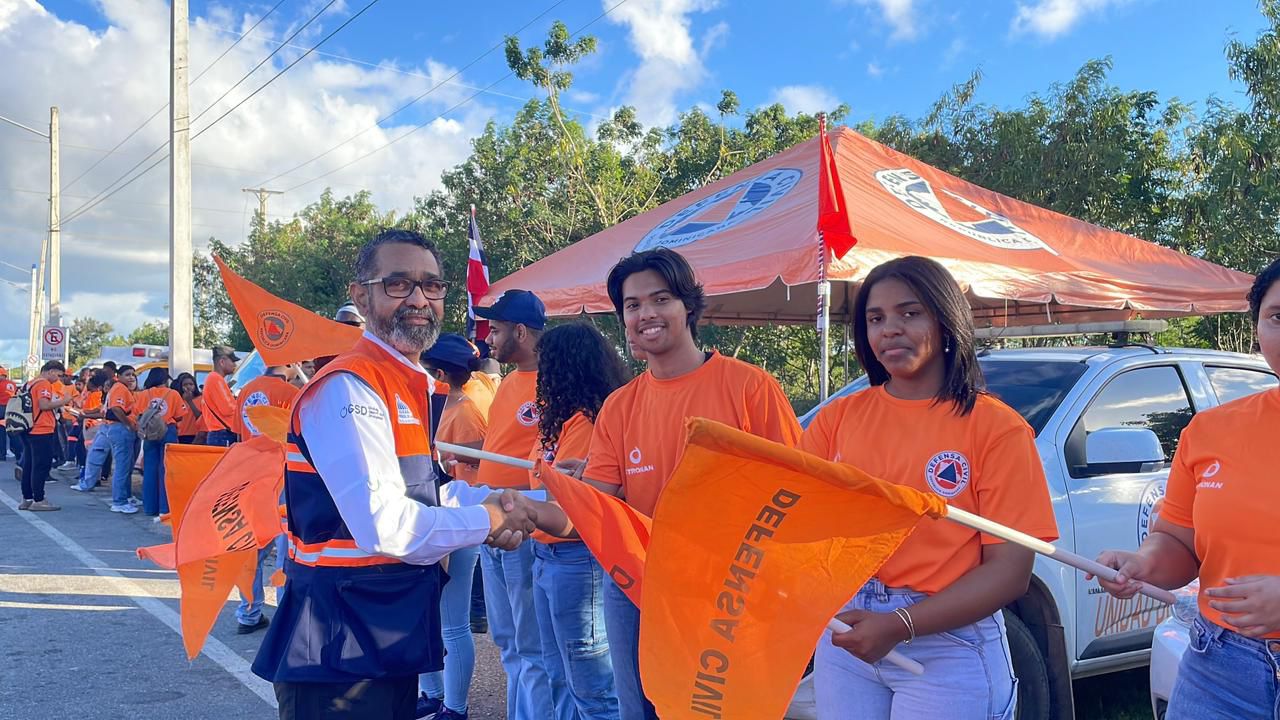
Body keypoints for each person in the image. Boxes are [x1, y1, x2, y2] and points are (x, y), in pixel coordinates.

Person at [251, 228, 537, 720]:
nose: (419, 299)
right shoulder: (349, 386)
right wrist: (491, 519)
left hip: (382, 633)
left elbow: (429, 492)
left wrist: (529, 499)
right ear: (362, 296)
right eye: (399, 284)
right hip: (338, 646)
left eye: (432, 285)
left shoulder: (403, 385)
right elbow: (386, 525)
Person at [523, 248, 803, 720]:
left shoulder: (751, 388)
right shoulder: (620, 407)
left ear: (688, 306)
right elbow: (592, 514)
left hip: (728, 593)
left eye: (661, 299)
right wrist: (527, 511)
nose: (646, 314)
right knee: (641, 711)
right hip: (638, 588)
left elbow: (797, 496)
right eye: (632, 305)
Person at [799, 257, 1058, 720]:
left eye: (910, 312)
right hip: (848, 633)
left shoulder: (996, 428)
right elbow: (794, 520)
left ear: (945, 320)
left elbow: (1010, 571)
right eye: (875, 318)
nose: (890, 329)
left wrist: (899, 624)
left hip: (950, 646)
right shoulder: (836, 419)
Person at [1092, 257, 1280, 720]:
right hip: (1221, 669)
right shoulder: (1211, 431)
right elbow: (1180, 542)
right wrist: (1143, 564)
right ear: (1257, 328)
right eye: (1278, 317)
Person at [528, 323, 628, 720]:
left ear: (566, 368)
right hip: (547, 556)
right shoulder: (561, 421)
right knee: (560, 678)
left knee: (593, 690)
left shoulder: (590, 424)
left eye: (546, 365)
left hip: (577, 561)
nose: (540, 375)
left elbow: (574, 504)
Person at [471, 289, 556, 720]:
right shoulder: (505, 383)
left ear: (521, 332)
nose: (488, 338)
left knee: (531, 646)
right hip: (490, 522)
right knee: (507, 641)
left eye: (496, 330)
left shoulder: (554, 384)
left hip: (523, 526)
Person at [416, 334, 496, 719]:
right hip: (438, 513)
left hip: (458, 516)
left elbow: (483, 462)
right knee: (429, 617)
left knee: (452, 621)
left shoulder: (464, 410)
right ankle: (434, 695)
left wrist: (449, 459)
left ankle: (454, 707)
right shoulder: (443, 403)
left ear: (441, 375)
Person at [235, 363, 301, 635]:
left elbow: (238, 435)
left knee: (252, 548)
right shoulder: (292, 393)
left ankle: (248, 613)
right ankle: (285, 616)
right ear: (291, 362)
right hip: (284, 475)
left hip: (251, 474)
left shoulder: (245, 391)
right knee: (286, 548)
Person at [76, 365, 141, 513]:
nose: (131, 377)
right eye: (127, 374)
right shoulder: (120, 388)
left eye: (133, 374)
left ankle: (125, 497)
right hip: (119, 429)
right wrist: (128, 423)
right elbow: (116, 409)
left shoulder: (122, 389)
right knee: (122, 467)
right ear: (119, 376)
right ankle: (120, 501)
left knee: (123, 466)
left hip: (115, 428)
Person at [18, 360, 72, 511]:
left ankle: (27, 498)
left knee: (29, 464)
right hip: (41, 429)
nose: (58, 379)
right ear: (51, 371)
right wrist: (64, 401)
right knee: (41, 465)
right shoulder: (43, 384)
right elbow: (44, 405)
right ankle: (39, 499)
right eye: (58, 375)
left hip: (28, 427)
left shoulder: (29, 384)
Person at [134, 368, 186, 518]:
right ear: (165, 379)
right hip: (168, 430)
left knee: (149, 469)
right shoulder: (173, 394)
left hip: (150, 432)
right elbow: (180, 415)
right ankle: (165, 509)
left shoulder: (144, 394)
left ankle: (150, 507)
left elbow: (138, 413)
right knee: (166, 470)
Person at [202, 346, 240, 446]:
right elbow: (228, 409)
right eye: (232, 361)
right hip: (222, 434)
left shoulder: (214, 378)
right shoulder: (215, 379)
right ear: (222, 362)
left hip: (219, 433)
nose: (235, 365)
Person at [172, 373, 203, 444]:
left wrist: (189, 401)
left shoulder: (201, 398)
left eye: (191, 384)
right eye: (185, 385)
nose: (188, 387)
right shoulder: (178, 399)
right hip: (180, 434)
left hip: (196, 435)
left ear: (195, 386)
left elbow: (199, 417)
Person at [0, 367, 16, 461]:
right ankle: (16, 452)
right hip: (11, 409)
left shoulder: (1, 384)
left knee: (1, 432)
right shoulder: (12, 384)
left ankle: (2, 454)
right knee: (12, 431)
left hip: (1, 408)